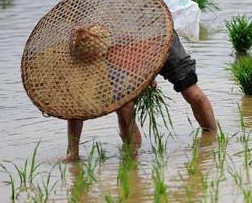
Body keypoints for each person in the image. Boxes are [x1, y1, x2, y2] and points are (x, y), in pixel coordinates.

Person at [65, 30, 216, 161]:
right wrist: (73, 152)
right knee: (124, 105)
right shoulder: (86, 56)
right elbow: (75, 107)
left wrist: (149, 73)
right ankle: (132, 155)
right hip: (123, 43)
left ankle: (213, 138)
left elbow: (145, 47)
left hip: (159, 36)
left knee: (192, 92)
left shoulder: (135, 34)